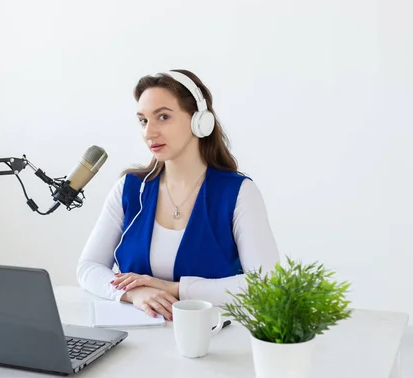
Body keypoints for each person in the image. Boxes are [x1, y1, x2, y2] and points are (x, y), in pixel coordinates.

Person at [76, 69, 279, 321]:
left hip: (212, 341)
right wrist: (135, 294)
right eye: (143, 120)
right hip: (134, 343)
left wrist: (175, 289)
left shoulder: (238, 193)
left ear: (199, 121)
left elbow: (266, 283)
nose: (150, 133)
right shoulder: (130, 189)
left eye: (163, 117)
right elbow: (88, 268)